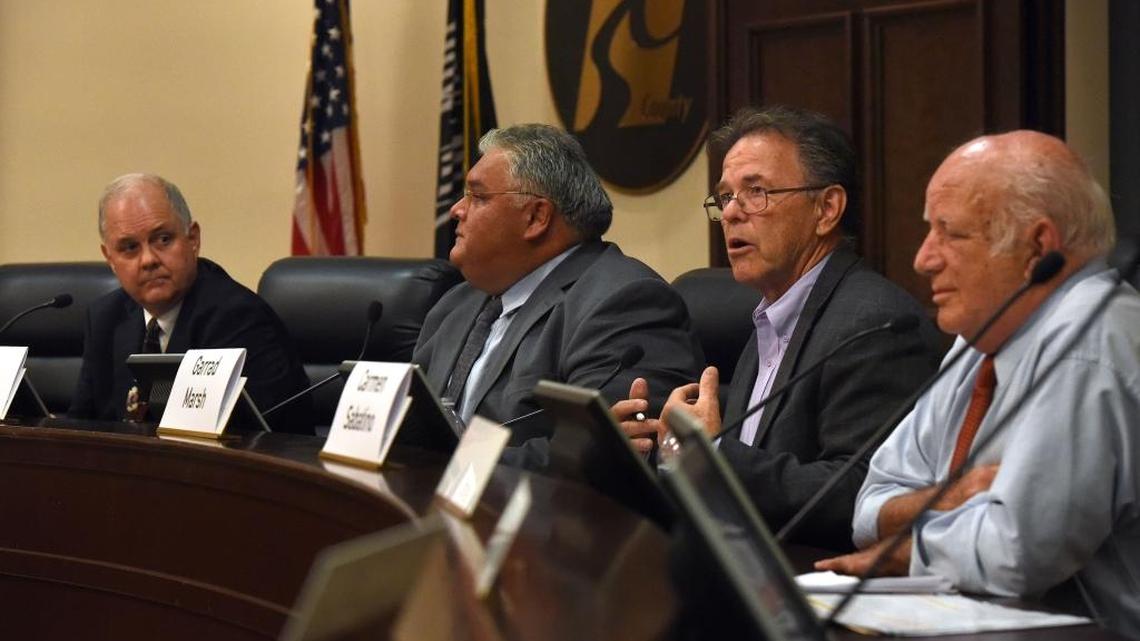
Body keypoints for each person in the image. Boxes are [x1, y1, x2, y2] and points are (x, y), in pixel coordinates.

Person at [816, 131, 1140, 638]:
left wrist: (907, 548)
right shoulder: (982, 337)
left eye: (951, 234)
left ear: (1038, 248)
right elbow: (870, 506)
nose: (923, 258)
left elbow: (1015, 554)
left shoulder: (1089, 341)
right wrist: (957, 495)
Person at [614, 106, 943, 550]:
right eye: (725, 197)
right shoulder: (771, 315)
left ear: (827, 209)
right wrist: (664, 453)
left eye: (756, 192)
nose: (732, 213)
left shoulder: (875, 325)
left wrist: (712, 456)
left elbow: (860, 494)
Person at [412, 123, 704, 463]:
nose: (456, 210)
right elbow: (404, 422)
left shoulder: (627, 303)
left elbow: (600, 458)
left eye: (478, 196)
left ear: (536, 217)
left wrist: (450, 462)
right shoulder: (455, 304)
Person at [70, 173, 314, 434]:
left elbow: (259, 440)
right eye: (130, 247)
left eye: (163, 239)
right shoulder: (105, 318)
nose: (148, 260)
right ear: (110, 258)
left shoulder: (238, 318)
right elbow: (78, 429)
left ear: (193, 239)